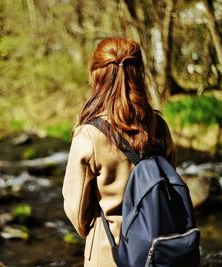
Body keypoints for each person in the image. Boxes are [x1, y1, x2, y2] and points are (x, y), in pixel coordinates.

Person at [62, 37, 176, 267]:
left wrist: (92, 231)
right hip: (159, 248)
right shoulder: (160, 127)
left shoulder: (89, 134)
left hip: (110, 250)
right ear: (139, 73)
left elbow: (76, 210)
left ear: (96, 74)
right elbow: (171, 186)